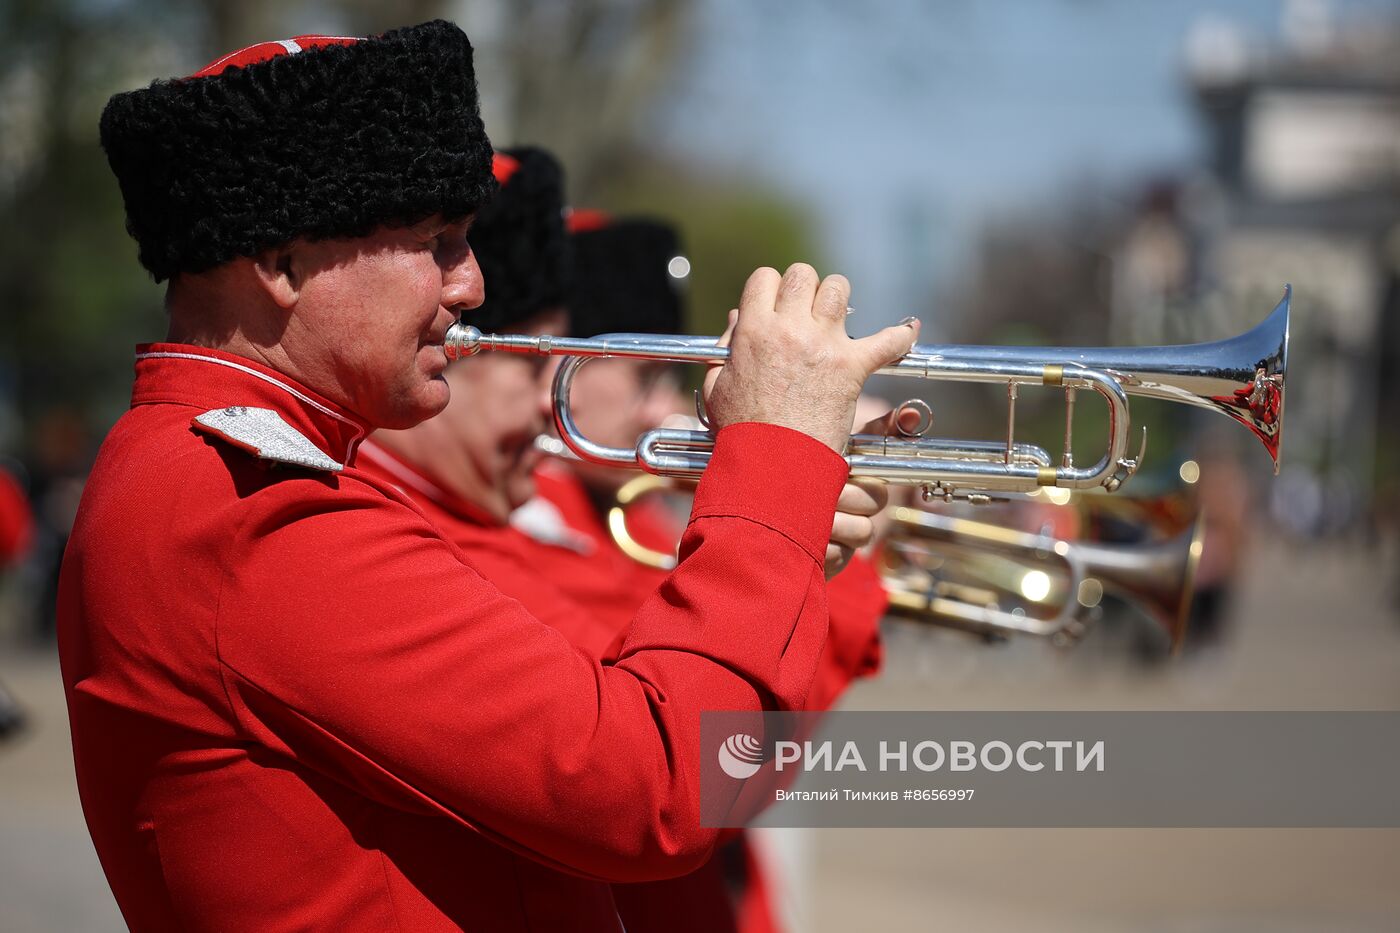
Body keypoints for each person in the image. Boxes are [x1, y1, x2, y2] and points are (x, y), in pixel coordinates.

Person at [58, 20, 919, 931]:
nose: (469, 284)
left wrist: (776, 537)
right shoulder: (246, 512)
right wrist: (774, 464)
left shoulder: (225, 478)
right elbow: (652, 789)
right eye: (435, 241)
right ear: (282, 261)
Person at [363, 173, 889, 931]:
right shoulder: (445, 533)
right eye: (530, 363)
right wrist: (806, 543)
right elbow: (702, 764)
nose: (553, 398)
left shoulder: (591, 520)